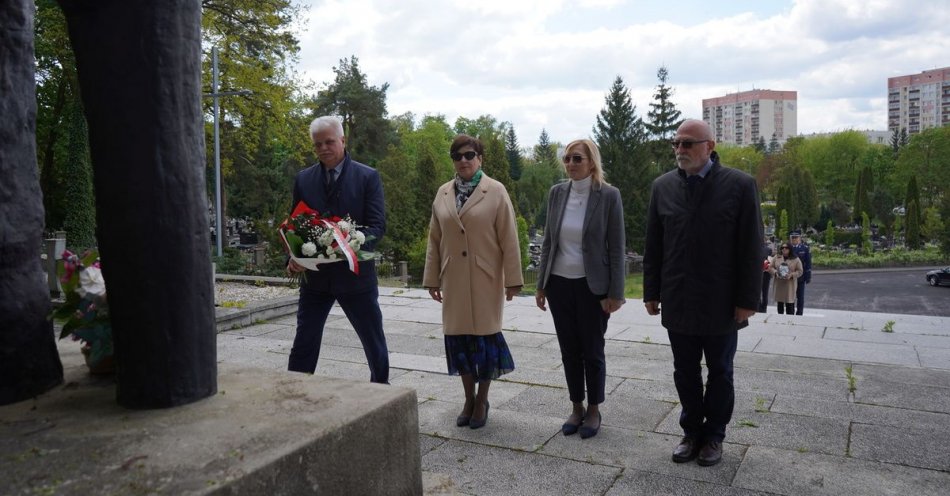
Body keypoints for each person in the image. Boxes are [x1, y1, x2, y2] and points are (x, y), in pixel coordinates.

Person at [643, 119, 764, 467]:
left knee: (721, 371)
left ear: (709, 146)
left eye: (688, 143)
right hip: (679, 296)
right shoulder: (662, 187)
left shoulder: (740, 185)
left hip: (722, 300)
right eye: (676, 143)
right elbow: (654, 245)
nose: (680, 150)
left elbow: (750, 247)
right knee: (684, 371)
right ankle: (691, 432)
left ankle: (714, 436)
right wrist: (651, 291)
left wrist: (746, 301)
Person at [423, 134, 523, 430]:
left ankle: (482, 399)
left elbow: (509, 237)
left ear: (480, 157)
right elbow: (434, 239)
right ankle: (468, 397)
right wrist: (431, 279)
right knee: (459, 341)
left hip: (485, 279)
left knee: (484, 340)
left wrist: (513, 280)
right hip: (452, 278)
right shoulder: (443, 193)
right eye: (457, 156)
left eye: (469, 155)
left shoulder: (496, 191)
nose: (463, 161)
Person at [286, 116, 390, 384]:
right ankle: (294, 391)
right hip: (315, 280)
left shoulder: (368, 177)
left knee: (372, 341)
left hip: (355, 278)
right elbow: (295, 225)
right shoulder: (303, 179)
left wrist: (347, 244)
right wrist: (294, 256)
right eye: (317, 144)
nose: (323, 148)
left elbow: (377, 226)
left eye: (329, 141)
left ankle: (381, 390)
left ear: (343, 141)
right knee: (304, 340)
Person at [535, 139, 625, 440]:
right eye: (566, 159)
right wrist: (541, 286)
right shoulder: (557, 193)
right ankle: (576, 406)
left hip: (593, 288)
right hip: (559, 284)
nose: (570, 164)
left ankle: (594, 408)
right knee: (569, 350)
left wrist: (615, 293)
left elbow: (616, 248)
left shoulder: (609, 195)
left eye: (576, 158)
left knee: (593, 350)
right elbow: (549, 240)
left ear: (591, 162)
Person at [769, 242, 803, 314]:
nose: (784, 249)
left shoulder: (796, 259)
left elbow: (800, 271)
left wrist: (792, 275)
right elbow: (770, 267)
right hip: (779, 284)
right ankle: (781, 321)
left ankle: (790, 321)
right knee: (780, 304)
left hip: (789, 285)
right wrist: (775, 272)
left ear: (790, 249)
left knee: (789, 305)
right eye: (782, 248)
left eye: (786, 248)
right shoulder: (777, 257)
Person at [789, 230, 812, 315]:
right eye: (793, 237)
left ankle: (799, 313)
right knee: (790, 297)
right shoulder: (787, 248)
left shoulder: (805, 248)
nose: (794, 239)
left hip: (801, 277)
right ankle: (790, 312)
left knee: (800, 297)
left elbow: (808, 263)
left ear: (799, 238)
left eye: (796, 237)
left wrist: (808, 276)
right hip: (790, 277)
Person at [758, 238, 774, 313]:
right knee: (762, 292)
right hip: (762, 273)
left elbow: (770, 261)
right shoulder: (768, 249)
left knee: (761, 291)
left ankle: (761, 307)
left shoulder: (767, 249)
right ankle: (761, 308)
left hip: (762, 273)